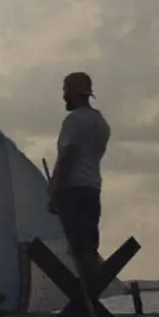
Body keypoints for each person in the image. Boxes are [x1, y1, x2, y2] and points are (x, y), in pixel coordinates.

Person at [47, 71, 111, 280]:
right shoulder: (101, 122)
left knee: (77, 247)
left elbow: (68, 157)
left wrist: (54, 190)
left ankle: (86, 295)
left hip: (72, 190)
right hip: (92, 189)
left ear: (74, 92)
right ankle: (90, 290)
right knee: (89, 246)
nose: (63, 95)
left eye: (65, 89)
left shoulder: (74, 121)